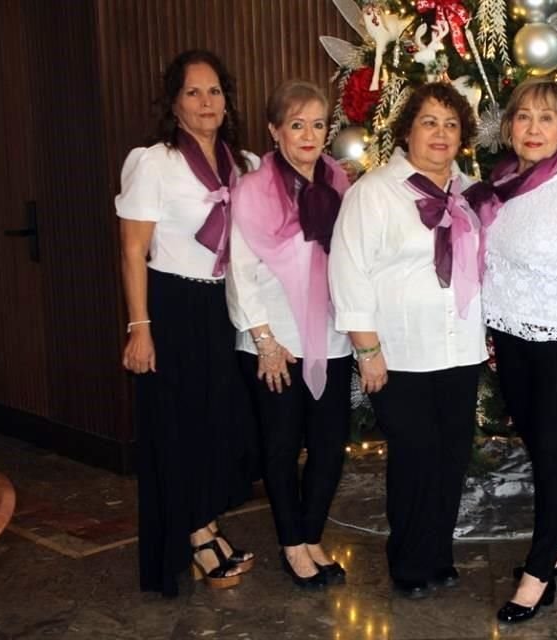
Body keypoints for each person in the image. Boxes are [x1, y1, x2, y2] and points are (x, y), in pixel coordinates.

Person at [328, 83, 485, 599]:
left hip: (459, 349)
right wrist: (366, 349)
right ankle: (409, 561)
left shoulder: (468, 193)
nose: (440, 134)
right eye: (429, 122)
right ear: (407, 130)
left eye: (450, 124)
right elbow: (348, 272)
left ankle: (438, 552)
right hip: (399, 353)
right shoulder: (374, 191)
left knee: (451, 457)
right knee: (415, 456)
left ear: (462, 137)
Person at [468, 77, 557, 624]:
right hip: (512, 335)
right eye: (524, 117)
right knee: (539, 446)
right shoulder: (503, 183)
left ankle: (539, 569)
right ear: (508, 127)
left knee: (551, 453)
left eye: (546, 118)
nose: (533, 128)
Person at [116, 49, 256, 597]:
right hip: (170, 308)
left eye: (215, 91)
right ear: (174, 102)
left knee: (217, 425)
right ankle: (194, 537)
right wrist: (139, 325)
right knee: (175, 430)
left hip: (222, 307)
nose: (206, 102)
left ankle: (206, 521)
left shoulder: (241, 163)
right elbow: (133, 250)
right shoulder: (154, 162)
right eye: (193, 92)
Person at [226, 80, 353, 589]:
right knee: (280, 446)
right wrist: (265, 340)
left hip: (331, 335)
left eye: (318, 124)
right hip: (273, 340)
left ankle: (312, 534)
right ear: (275, 130)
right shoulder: (253, 188)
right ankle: (292, 546)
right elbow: (239, 269)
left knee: (330, 444)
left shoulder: (339, 181)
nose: (308, 134)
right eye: (296, 124)